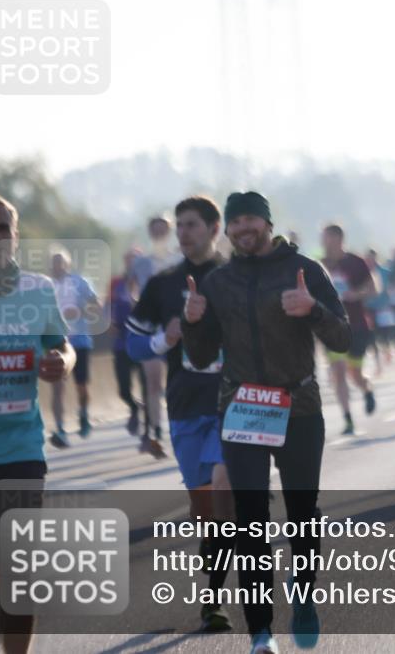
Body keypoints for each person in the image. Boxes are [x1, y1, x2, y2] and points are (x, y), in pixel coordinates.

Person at [182, 191, 350, 654]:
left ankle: (304, 593)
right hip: (243, 407)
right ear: (228, 231)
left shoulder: (305, 270)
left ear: (268, 224)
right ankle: (261, 633)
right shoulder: (218, 282)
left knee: (300, 514)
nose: (243, 229)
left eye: (251, 220)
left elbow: (344, 335)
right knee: (249, 520)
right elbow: (198, 356)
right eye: (235, 223)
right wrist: (193, 321)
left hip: (299, 407)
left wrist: (311, 309)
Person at [0, 192, 76, 654]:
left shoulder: (38, 290)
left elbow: (63, 347)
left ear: (15, 236)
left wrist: (60, 363)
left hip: (22, 448)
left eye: (2, 228)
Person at [125, 196, 235, 632]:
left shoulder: (237, 277)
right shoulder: (163, 284)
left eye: (192, 224)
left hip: (233, 403)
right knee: (205, 505)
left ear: (214, 228)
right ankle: (213, 582)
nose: (183, 232)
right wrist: (161, 342)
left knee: (223, 492)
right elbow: (133, 344)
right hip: (186, 405)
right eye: (179, 225)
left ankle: (214, 597)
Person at [130, 216, 181, 452]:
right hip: (151, 329)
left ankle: (177, 425)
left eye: (163, 231)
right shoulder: (141, 263)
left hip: (177, 328)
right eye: (155, 232)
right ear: (150, 234)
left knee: (177, 381)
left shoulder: (180, 259)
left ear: (169, 232)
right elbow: (130, 288)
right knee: (152, 382)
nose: (159, 235)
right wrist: (139, 305)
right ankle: (155, 431)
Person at [321, 223, 377, 435]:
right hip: (332, 327)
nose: (324, 242)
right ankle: (348, 418)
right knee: (338, 373)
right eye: (323, 238)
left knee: (355, 374)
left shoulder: (355, 261)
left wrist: (356, 294)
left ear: (338, 239)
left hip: (357, 325)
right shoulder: (320, 263)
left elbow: (373, 288)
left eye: (327, 237)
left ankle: (367, 389)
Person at [48, 247, 100, 446]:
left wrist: (80, 310)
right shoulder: (46, 285)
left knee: (81, 386)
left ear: (68, 264)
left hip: (80, 340)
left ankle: (84, 413)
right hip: (56, 342)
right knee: (57, 387)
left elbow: (96, 305)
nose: (57, 266)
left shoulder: (80, 282)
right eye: (54, 262)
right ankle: (60, 428)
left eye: (61, 262)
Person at [106, 248, 147, 435]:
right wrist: (108, 321)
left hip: (144, 341)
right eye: (129, 260)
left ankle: (149, 430)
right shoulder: (116, 282)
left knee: (147, 386)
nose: (132, 264)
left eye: (136, 260)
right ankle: (134, 407)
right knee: (123, 390)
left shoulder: (149, 281)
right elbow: (108, 305)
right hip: (121, 342)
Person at [364, 248, 395, 371]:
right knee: (373, 335)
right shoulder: (364, 272)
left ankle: (387, 349)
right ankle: (378, 363)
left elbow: (393, 286)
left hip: (384, 307)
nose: (370, 261)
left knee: (385, 335)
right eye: (368, 258)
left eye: (372, 258)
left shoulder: (385, 272)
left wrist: (392, 300)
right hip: (368, 308)